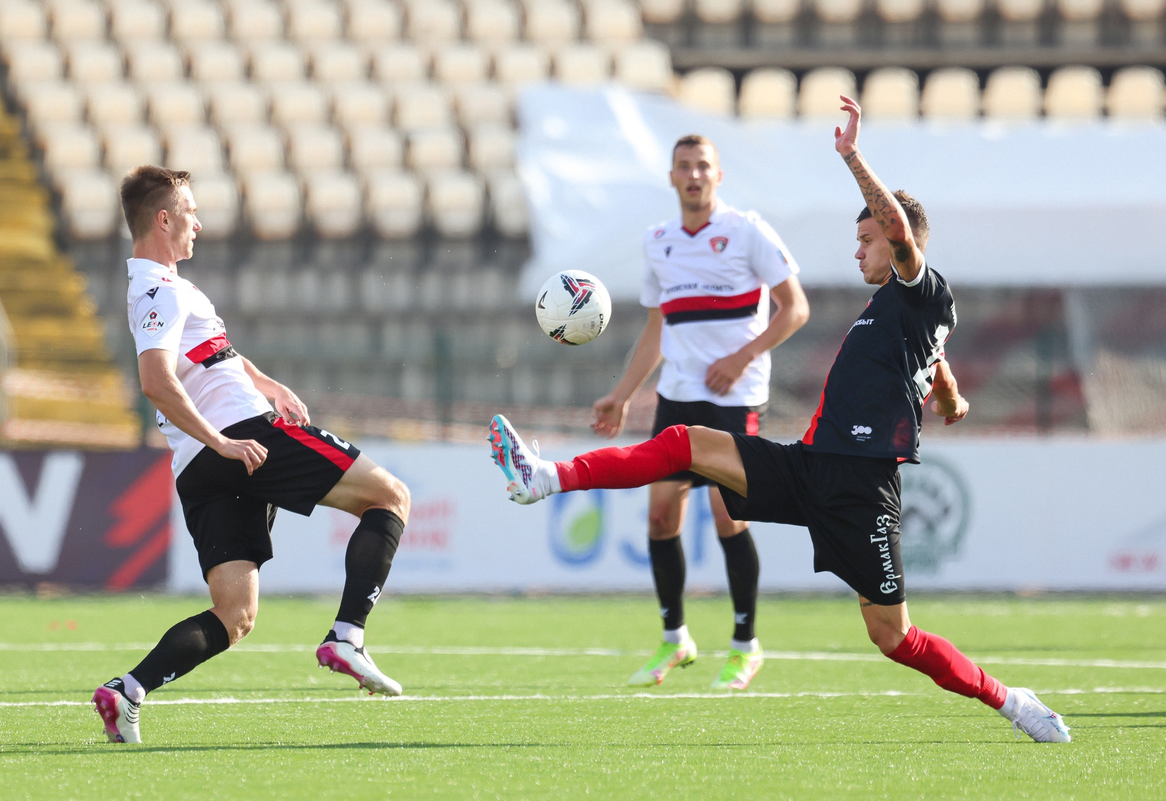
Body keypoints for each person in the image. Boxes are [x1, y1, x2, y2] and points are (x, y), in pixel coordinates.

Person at [488, 98, 1071, 742]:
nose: (859, 252)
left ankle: (1012, 702)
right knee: (684, 443)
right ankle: (545, 477)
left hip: (861, 490)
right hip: (811, 463)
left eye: (865, 239)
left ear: (898, 238)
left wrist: (851, 156)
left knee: (894, 636)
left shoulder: (919, 286)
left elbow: (903, 237)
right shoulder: (901, 309)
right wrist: (951, 395)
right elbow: (930, 356)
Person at [92, 166, 410, 744]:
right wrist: (224, 441)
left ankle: (127, 691)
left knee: (234, 615)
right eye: (190, 211)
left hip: (201, 465)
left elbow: (209, 356)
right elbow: (156, 380)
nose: (199, 223)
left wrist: (267, 382)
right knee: (390, 495)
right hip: (240, 439)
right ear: (163, 219)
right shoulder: (158, 290)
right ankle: (348, 635)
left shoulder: (168, 285)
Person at [591, 134, 809, 690]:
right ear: (671, 177)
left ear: (718, 176)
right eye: (684, 167)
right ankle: (675, 639)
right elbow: (657, 327)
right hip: (678, 396)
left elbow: (795, 308)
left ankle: (744, 646)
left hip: (735, 397)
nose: (694, 175)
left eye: (703, 166)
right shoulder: (658, 241)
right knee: (661, 515)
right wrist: (622, 394)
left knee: (726, 514)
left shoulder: (747, 231)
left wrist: (741, 357)